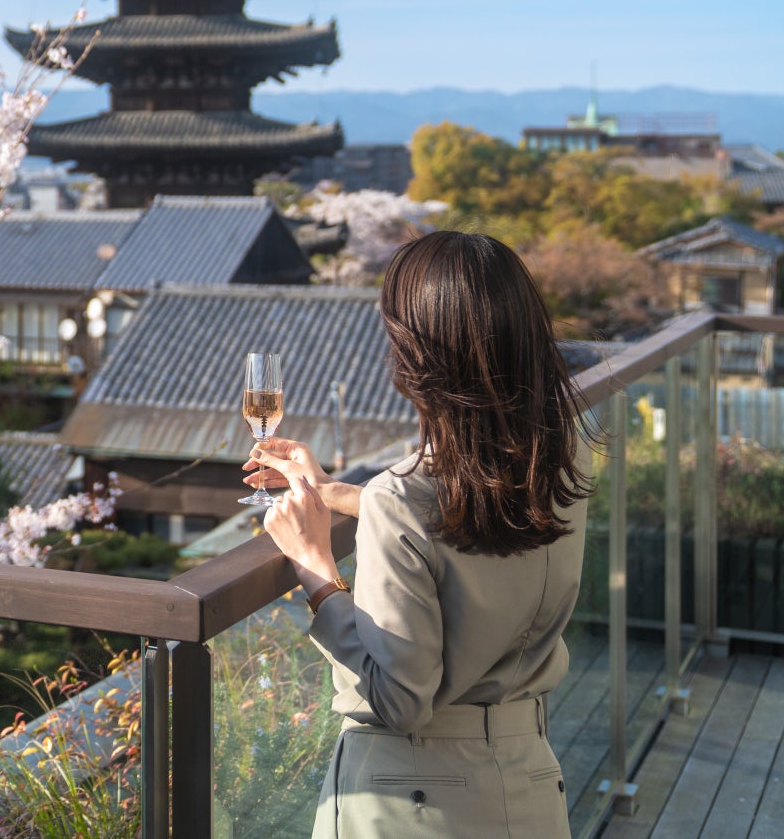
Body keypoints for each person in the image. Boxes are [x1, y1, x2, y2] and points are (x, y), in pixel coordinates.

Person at [244, 230, 591, 837]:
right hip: (531, 778)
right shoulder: (557, 466)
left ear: (417, 356)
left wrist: (314, 565)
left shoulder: (403, 499)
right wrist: (343, 494)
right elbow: (467, 518)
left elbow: (400, 701)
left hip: (412, 801)